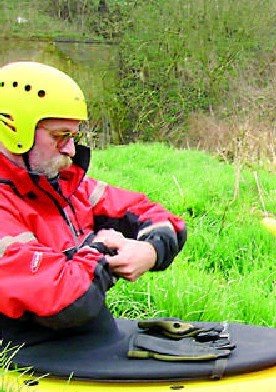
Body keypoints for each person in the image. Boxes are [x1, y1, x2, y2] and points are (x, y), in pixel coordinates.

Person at [0, 61, 187, 347]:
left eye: (74, 136)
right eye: (60, 136)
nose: (71, 149)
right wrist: (105, 247)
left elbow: (155, 215)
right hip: (29, 352)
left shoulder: (61, 184)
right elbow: (66, 298)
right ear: (15, 129)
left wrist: (150, 249)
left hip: (83, 340)